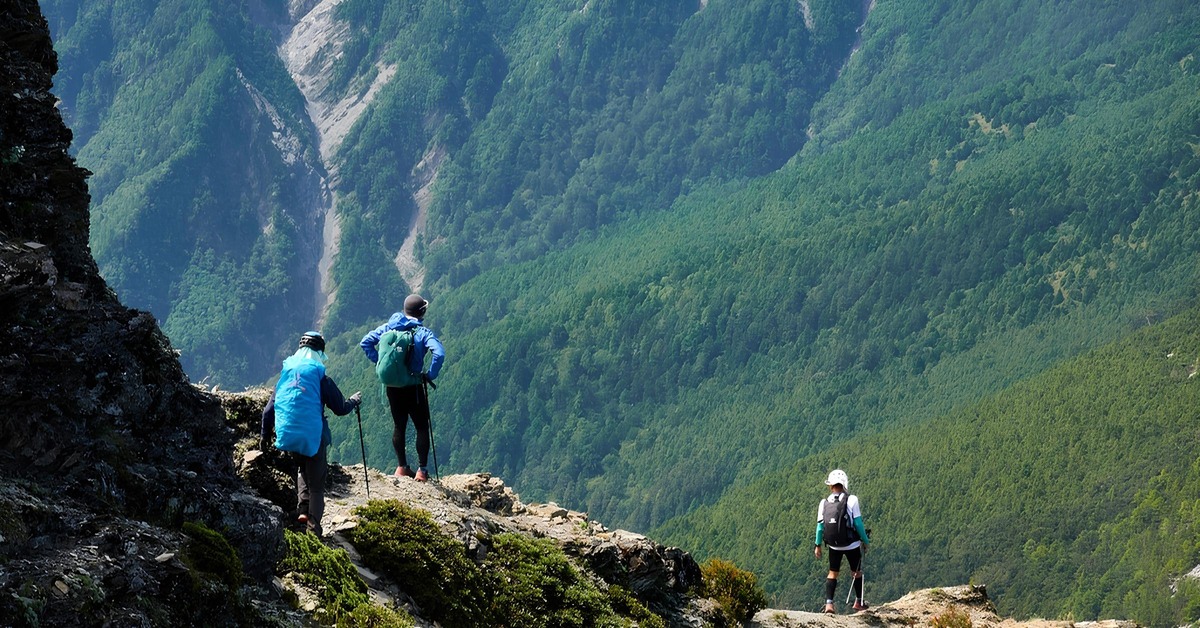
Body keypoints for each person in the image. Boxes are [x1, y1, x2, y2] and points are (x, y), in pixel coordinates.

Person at [260, 331, 361, 537]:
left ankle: (302, 511)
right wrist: (353, 401)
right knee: (317, 484)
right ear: (319, 352)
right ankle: (314, 529)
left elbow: (268, 410)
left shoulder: (286, 373)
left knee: (301, 469)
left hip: (288, 434)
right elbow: (340, 407)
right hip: (313, 437)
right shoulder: (320, 376)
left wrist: (265, 435)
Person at [359, 294, 445, 482]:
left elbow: (365, 342)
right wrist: (429, 375)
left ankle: (401, 467)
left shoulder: (388, 328)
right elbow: (439, 353)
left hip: (392, 387)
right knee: (422, 426)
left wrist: (379, 362)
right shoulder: (422, 333)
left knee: (399, 425)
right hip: (413, 387)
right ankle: (422, 471)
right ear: (422, 312)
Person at [814, 468, 870, 614]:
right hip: (852, 544)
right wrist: (865, 540)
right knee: (856, 572)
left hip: (833, 545)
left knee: (832, 573)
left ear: (830, 485)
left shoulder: (824, 503)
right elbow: (858, 524)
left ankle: (829, 605)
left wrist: (817, 545)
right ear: (844, 484)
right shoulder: (852, 499)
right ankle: (859, 602)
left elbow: (820, 527)